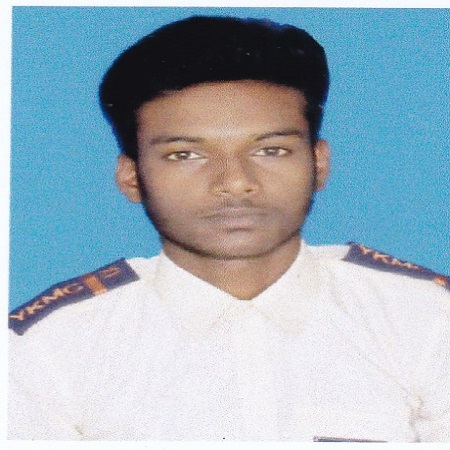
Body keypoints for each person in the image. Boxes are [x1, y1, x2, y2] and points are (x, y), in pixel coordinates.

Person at [8, 15, 450, 442]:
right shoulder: (47, 349)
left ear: (318, 164)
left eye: (271, 150)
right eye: (185, 155)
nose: (235, 182)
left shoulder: (427, 321)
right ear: (131, 178)